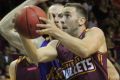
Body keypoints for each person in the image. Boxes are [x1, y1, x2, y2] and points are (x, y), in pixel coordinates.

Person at [0, 0, 119, 80]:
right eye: (52, 15)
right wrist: (23, 26)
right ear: (43, 19)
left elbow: (113, 75)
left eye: (62, 15)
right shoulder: (45, 44)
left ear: (79, 21)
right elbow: (3, 27)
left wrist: (56, 32)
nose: (58, 20)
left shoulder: (91, 36)